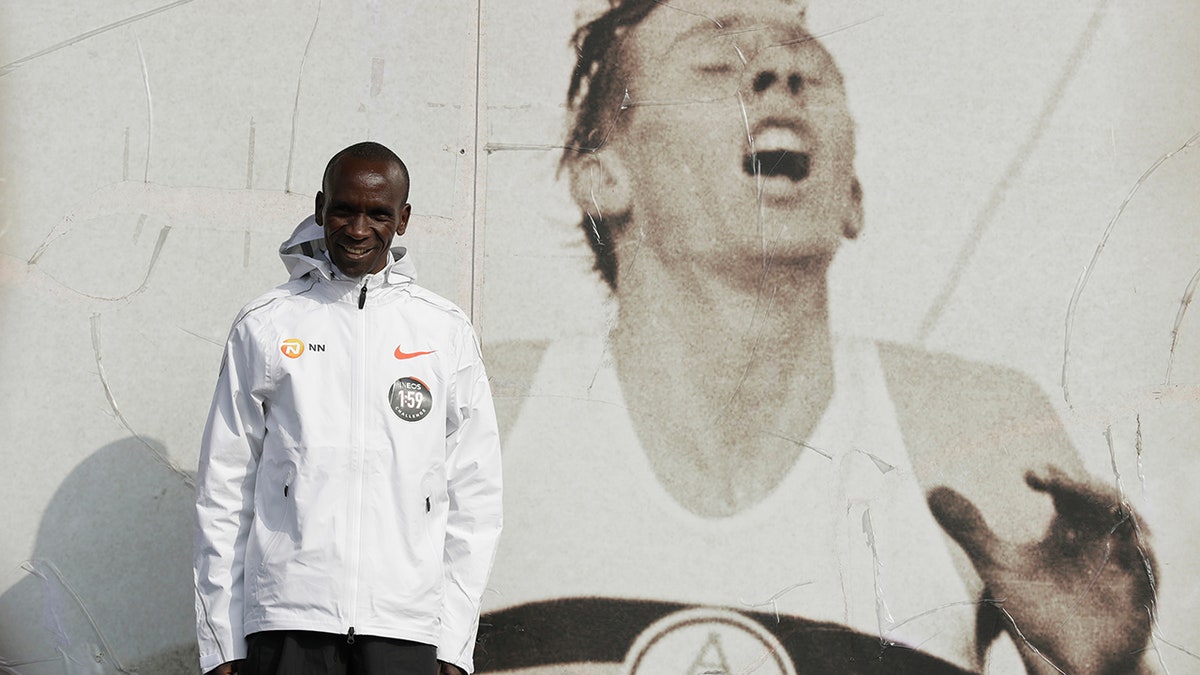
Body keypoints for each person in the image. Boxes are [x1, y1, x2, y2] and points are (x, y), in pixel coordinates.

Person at [478, 1, 1156, 673]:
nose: (778, 71)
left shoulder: (981, 433)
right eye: (716, 63)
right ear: (602, 177)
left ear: (851, 196)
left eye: (809, 67)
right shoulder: (483, 414)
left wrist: (1112, 671)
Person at [194, 142, 503, 675]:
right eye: (344, 210)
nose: (358, 229)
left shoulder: (443, 332)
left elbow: (475, 494)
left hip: (405, 626)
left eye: (378, 213)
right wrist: (221, 639)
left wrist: (453, 642)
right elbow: (224, 487)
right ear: (320, 208)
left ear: (402, 219)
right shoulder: (268, 324)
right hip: (288, 620)